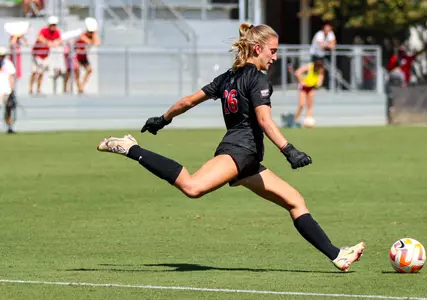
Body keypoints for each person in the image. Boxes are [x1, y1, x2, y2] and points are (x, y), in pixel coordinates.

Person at [96, 23, 365, 272]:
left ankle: (337, 255)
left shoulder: (229, 77)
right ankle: (131, 148)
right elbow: (264, 119)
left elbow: (189, 101)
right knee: (193, 187)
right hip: (239, 152)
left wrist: (163, 119)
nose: (275, 57)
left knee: (295, 202)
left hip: (248, 160)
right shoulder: (257, 79)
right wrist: (288, 149)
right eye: (272, 51)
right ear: (258, 48)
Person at [65, 18, 100, 94]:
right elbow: (86, 40)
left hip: (83, 57)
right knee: (77, 71)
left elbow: (97, 43)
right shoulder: (82, 35)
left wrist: (94, 35)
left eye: (92, 32)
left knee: (89, 70)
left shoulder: (93, 36)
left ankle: (82, 85)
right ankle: (79, 87)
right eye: (90, 32)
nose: (91, 33)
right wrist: (90, 40)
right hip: (76, 56)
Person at [30, 16, 62, 95]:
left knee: (41, 73)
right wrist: (49, 43)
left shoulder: (56, 32)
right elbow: (40, 37)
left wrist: (55, 43)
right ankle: (30, 88)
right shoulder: (43, 31)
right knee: (34, 72)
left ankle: (38, 89)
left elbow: (59, 40)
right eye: (52, 25)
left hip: (45, 56)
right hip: (37, 55)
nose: (53, 27)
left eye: (54, 25)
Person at [291, 59, 324, 127]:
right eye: (317, 66)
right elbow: (297, 72)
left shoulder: (321, 69)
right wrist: (301, 81)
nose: (318, 68)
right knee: (302, 104)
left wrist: (319, 82)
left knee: (310, 105)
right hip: (303, 88)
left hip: (311, 87)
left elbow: (321, 77)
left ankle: (308, 120)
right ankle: (295, 120)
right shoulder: (309, 67)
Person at [0, 47, 16, 134]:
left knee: (8, 110)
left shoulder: (8, 64)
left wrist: (12, 90)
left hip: (6, 90)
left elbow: (11, 78)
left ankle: (10, 127)